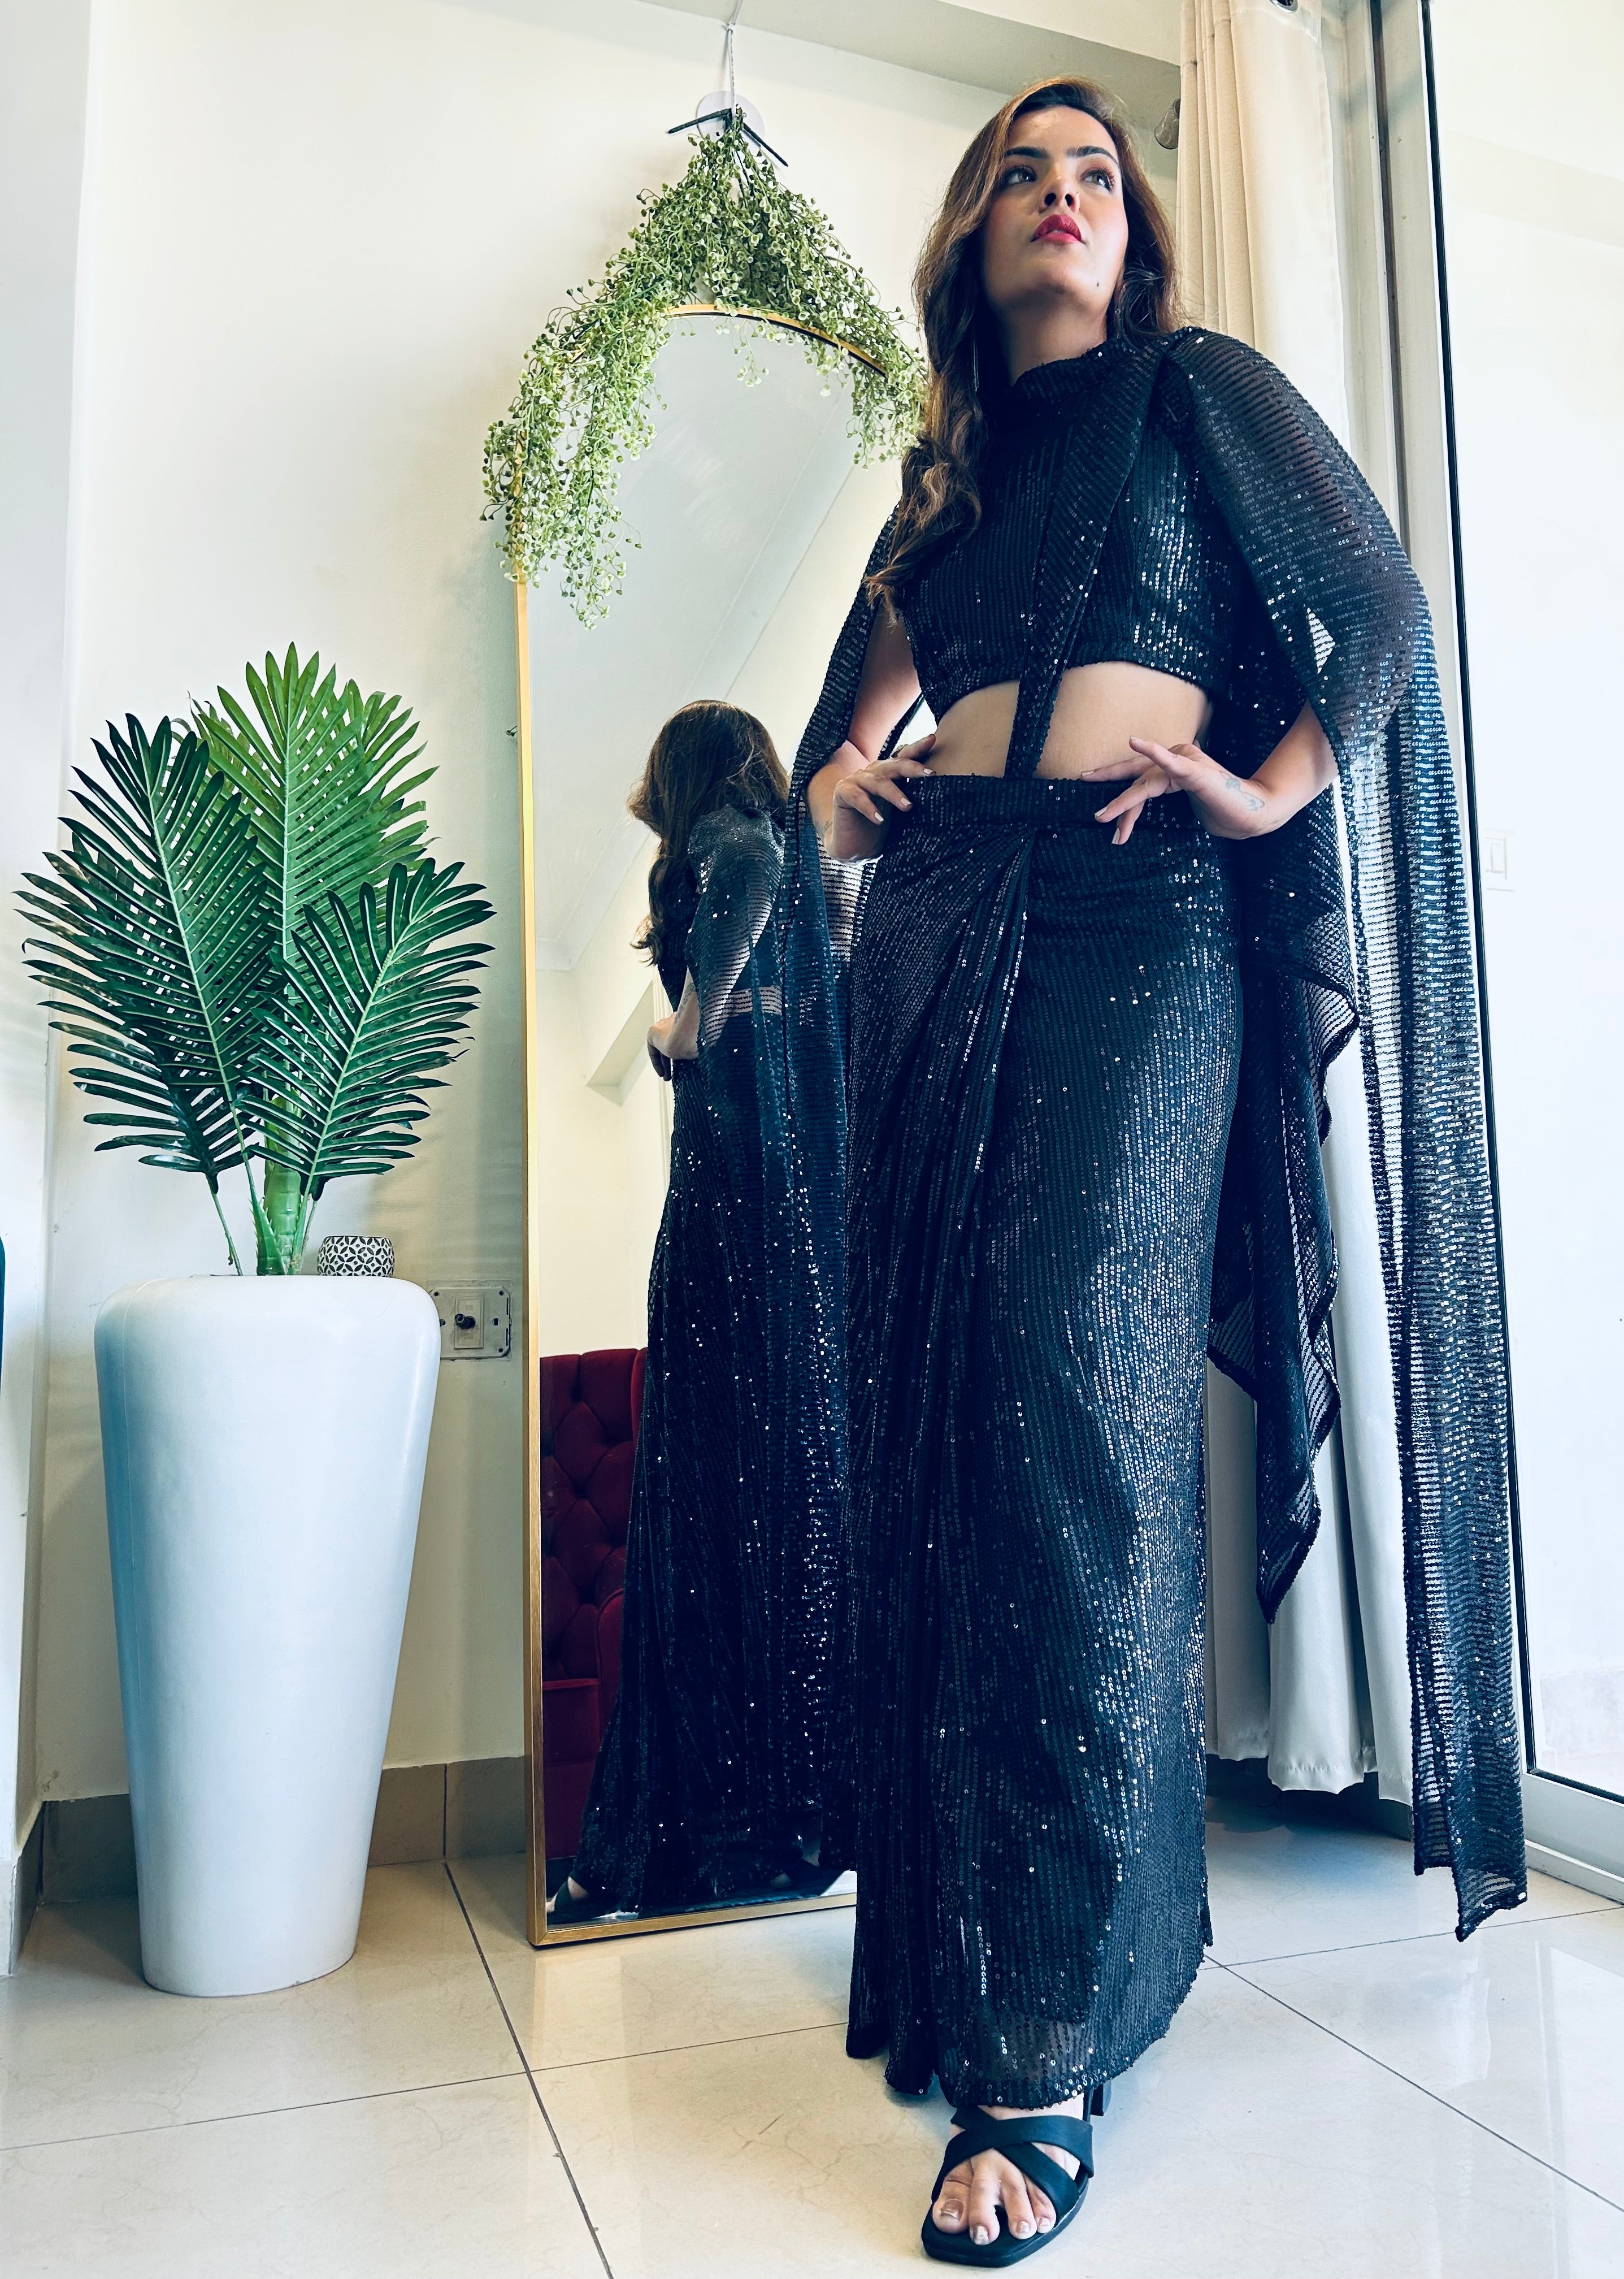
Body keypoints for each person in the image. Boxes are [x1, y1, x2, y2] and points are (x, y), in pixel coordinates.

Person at [779, 78, 1523, 2265]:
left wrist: (1271, 786)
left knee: (1071, 1420)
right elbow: (838, 742)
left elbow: (1376, 622)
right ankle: (1019, 1960)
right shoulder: (944, 479)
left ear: (1135, 230)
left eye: (1094, 171)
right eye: (1021, 170)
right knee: (947, 1433)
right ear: (969, 232)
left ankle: (1041, 2046)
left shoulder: (1196, 392)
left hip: (1136, 923)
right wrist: (832, 794)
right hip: (944, 924)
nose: (1060, 194)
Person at [556, 700, 841, 1922]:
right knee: (771, 1479)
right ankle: (773, 1806)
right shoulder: (780, 841)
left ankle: (710, 1820)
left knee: (717, 1478)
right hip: (778, 1203)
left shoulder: (734, 834)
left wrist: (690, 1020)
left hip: (739, 1197)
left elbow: (751, 871)